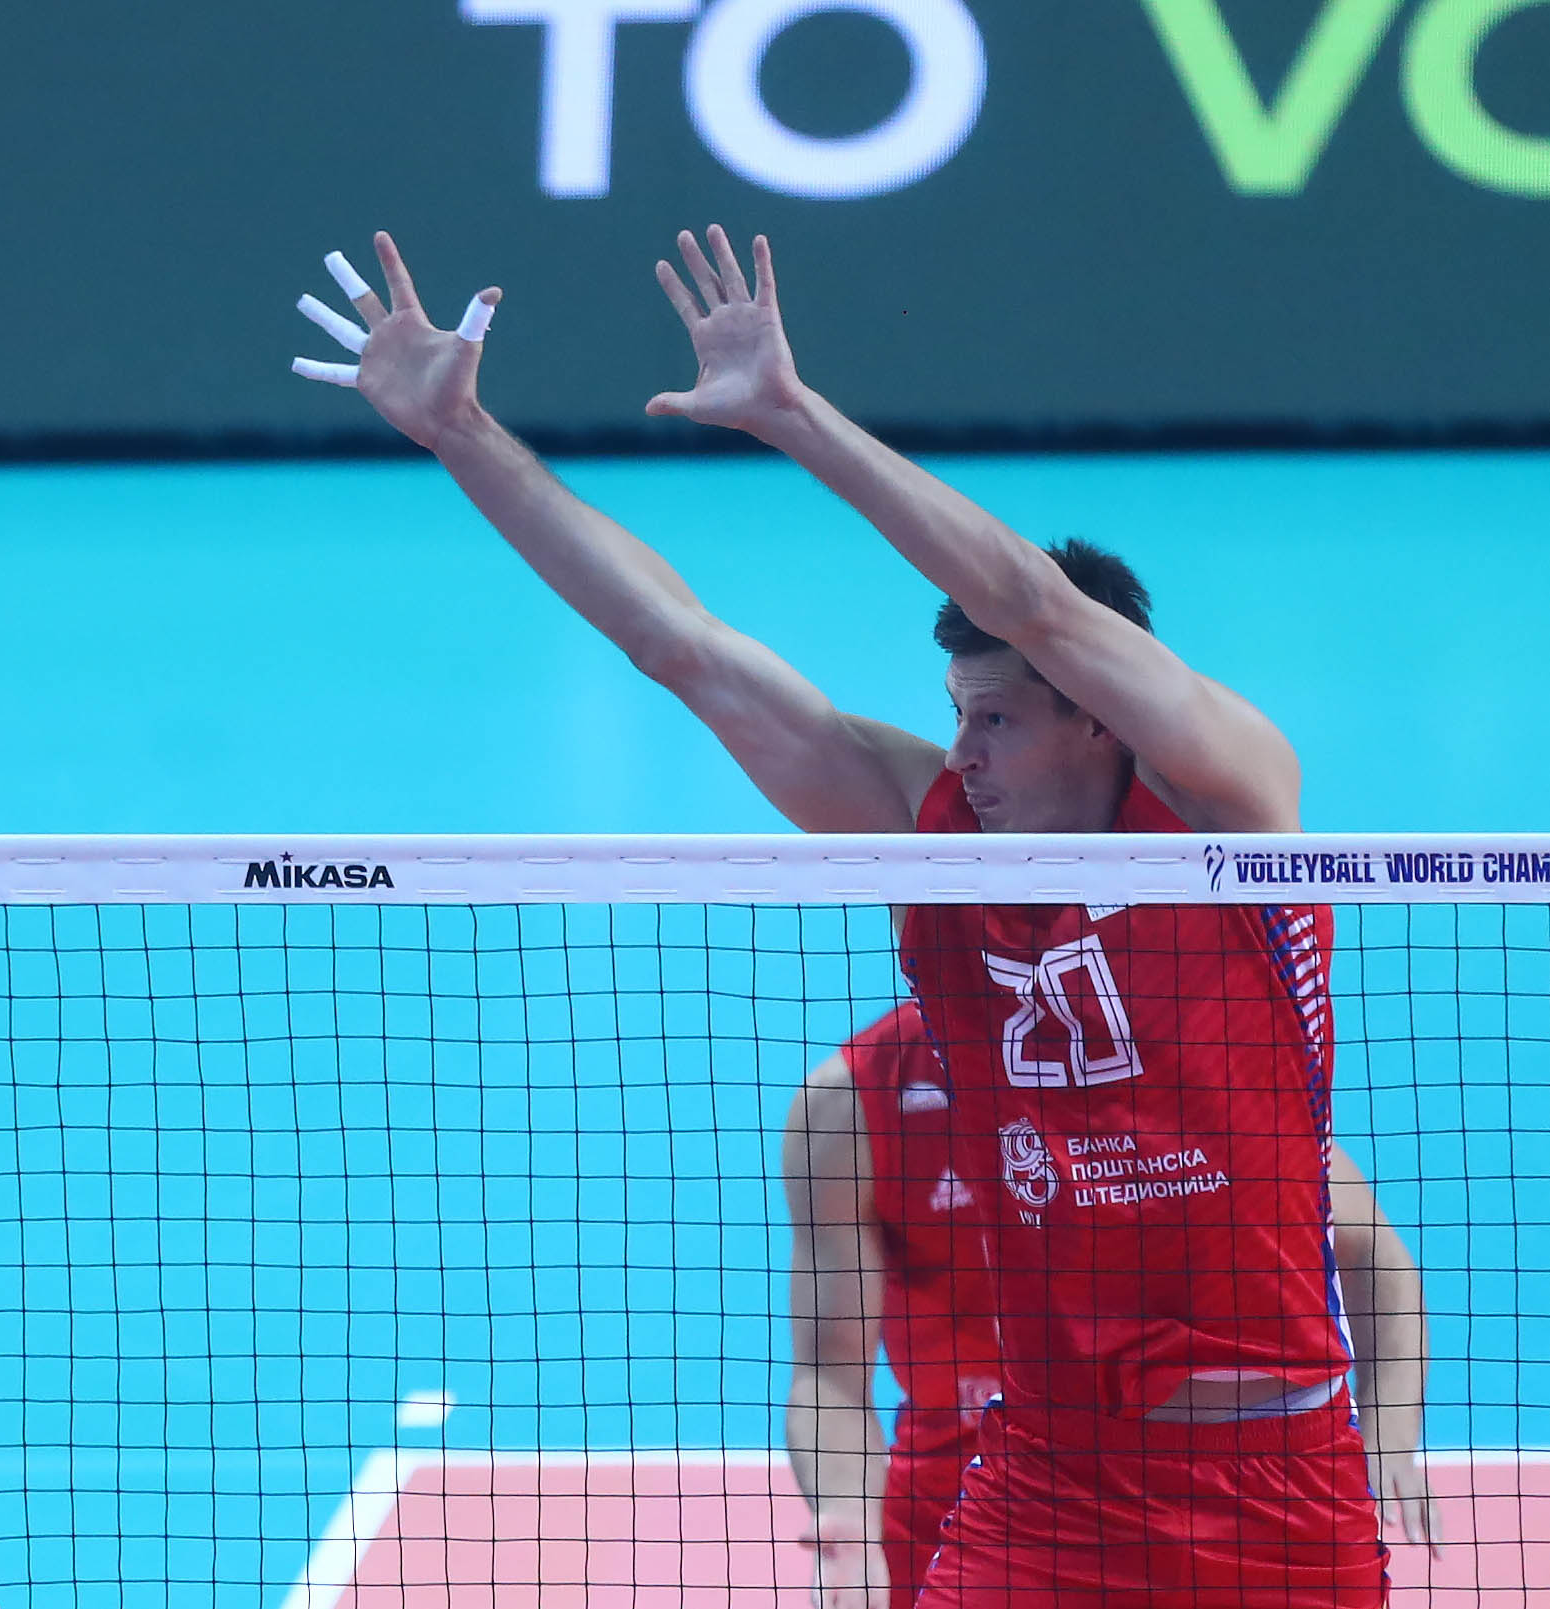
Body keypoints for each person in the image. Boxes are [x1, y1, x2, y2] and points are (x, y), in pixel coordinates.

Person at [296, 224, 1389, 1604]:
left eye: (996, 719)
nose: (964, 752)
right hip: (1046, 1482)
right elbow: (681, 647)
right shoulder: (936, 842)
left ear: (1098, 716)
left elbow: (1033, 604)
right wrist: (461, 435)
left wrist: (792, 416)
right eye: (955, 718)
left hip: (1277, 1488)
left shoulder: (1231, 816)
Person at [783, 1002, 1443, 1609]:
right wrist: (848, 1518)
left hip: (1161, 1495)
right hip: (950, 1504)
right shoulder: (852, 1104)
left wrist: (1387, 1440)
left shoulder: (1151, 1064)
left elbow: (1374, 1254)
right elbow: (828, 1371)